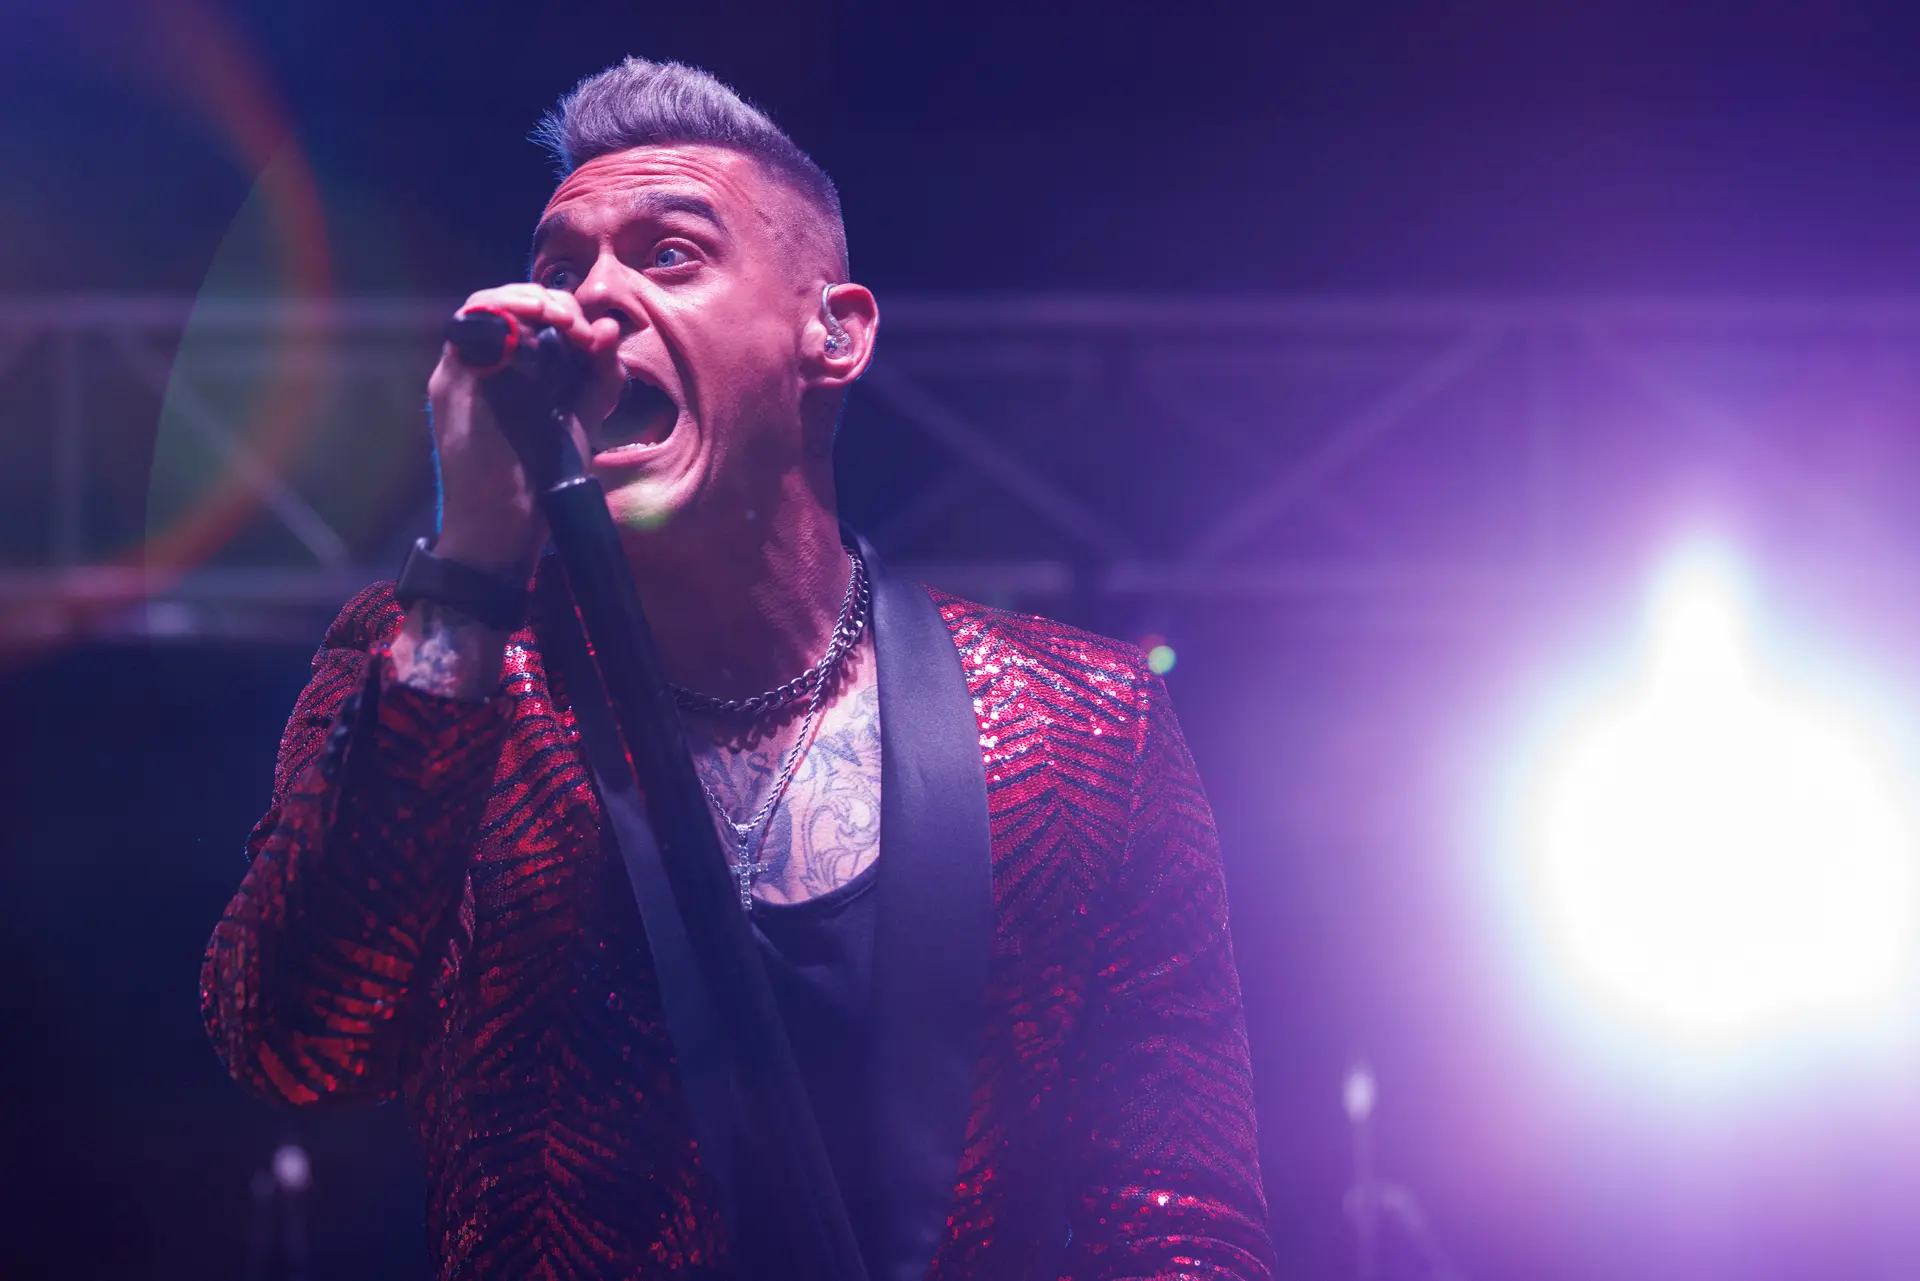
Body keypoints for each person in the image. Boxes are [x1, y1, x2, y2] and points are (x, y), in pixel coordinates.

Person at [201, 56, 1274, 1281]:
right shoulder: (446, 673)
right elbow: (296, 1044)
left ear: (834, 332)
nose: (591, 303)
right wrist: (473, 565)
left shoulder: (1082, 724)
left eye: (668, 255)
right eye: (561, 269)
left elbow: (1181, 1225)